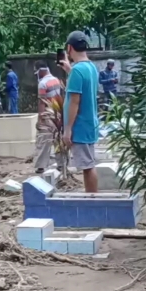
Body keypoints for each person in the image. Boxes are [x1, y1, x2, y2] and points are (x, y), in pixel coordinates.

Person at [59, 31, 101, 192]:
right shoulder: (90, 67)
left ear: (69, 48)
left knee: (87, 166)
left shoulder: (77, 71)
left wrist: (68, 129)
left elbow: (74, 102)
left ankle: (92, 201)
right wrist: (70, 70)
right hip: (90, 123)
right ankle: (92, 199)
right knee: (88, 163)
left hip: (80, 126)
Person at [33, 62, 64, 172]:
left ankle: (41, 166)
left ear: (41, 71)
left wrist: (40, 120)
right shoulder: (55, 80)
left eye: (37, 72)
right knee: (58, 139)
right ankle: (61, 164)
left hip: (47, 113)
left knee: (43, 139)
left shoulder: (42, 84)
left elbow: (41, 102)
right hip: (57, 113)